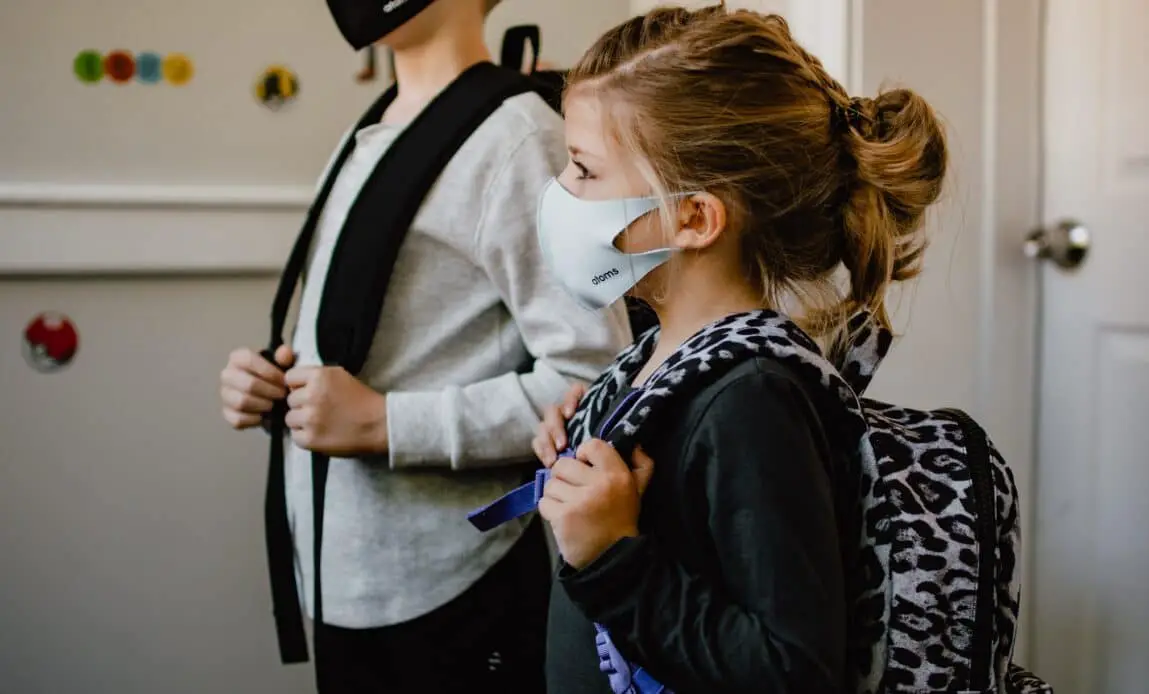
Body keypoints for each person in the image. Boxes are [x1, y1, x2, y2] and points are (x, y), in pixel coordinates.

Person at [528, 4, 948, 693]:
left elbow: (790, 670)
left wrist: (613, 557)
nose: (562, 193)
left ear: (694, 218)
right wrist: (587, 451)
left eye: (584, 170)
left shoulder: (752, 400)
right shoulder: (660, 361)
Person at [217, 0, 631, 692]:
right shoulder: (371, 127)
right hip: (340, 573)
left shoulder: (517, 138)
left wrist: (386, 423)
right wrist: (274, 383)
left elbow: (591, 375)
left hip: (452, 583)